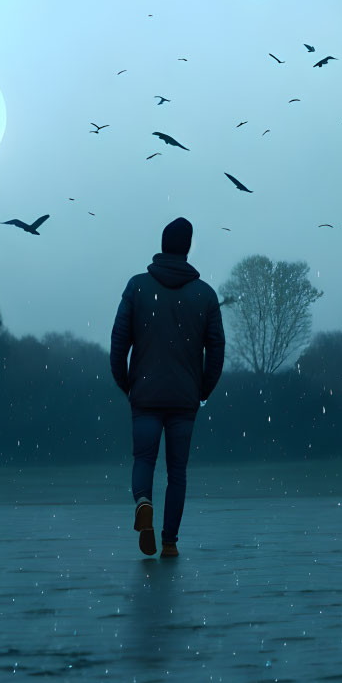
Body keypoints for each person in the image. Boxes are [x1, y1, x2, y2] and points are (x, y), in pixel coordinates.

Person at [109, 217, 225, 557]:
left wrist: (125, 383)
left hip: (144, 393)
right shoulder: (205, 295)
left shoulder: (137, 287)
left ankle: (143, 501)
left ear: (162, 244)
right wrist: (204, 388)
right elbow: (216, 347)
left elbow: (119, 341)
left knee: (143, 459)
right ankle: (170, 541)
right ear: (188, 247)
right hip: (184, 397)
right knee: (177, 471)